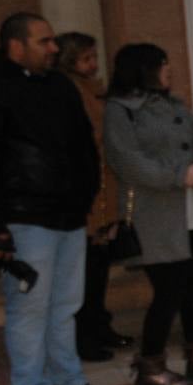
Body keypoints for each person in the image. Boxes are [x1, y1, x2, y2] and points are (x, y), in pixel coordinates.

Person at [0, 12, 117, 385]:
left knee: (66, 304)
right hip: (24, 218)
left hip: (69, 216)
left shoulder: (60, 86)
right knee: (29, 308)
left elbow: (84, 145)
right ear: (16, 46)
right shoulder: (0, 87)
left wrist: (86, 198)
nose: (53, 48)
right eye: (44, 41)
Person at [104, 43, 193, 385]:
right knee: (168, 291)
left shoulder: (175, 106)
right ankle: (150, 364)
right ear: (142, 69)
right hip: (156, 219)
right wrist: (176, 176)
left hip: (191, 215)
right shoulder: (120, 111)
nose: (168, 69)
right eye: (162, 64)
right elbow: (127, 160)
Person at [54, 31, 133, 360]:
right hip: (86, 191)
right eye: (86, 58)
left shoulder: (95, 90)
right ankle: (84, 336)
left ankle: (100, 325)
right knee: (84, 272)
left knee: (99, 267)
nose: (92, 64)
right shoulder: (68, 90)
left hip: (104, 188)